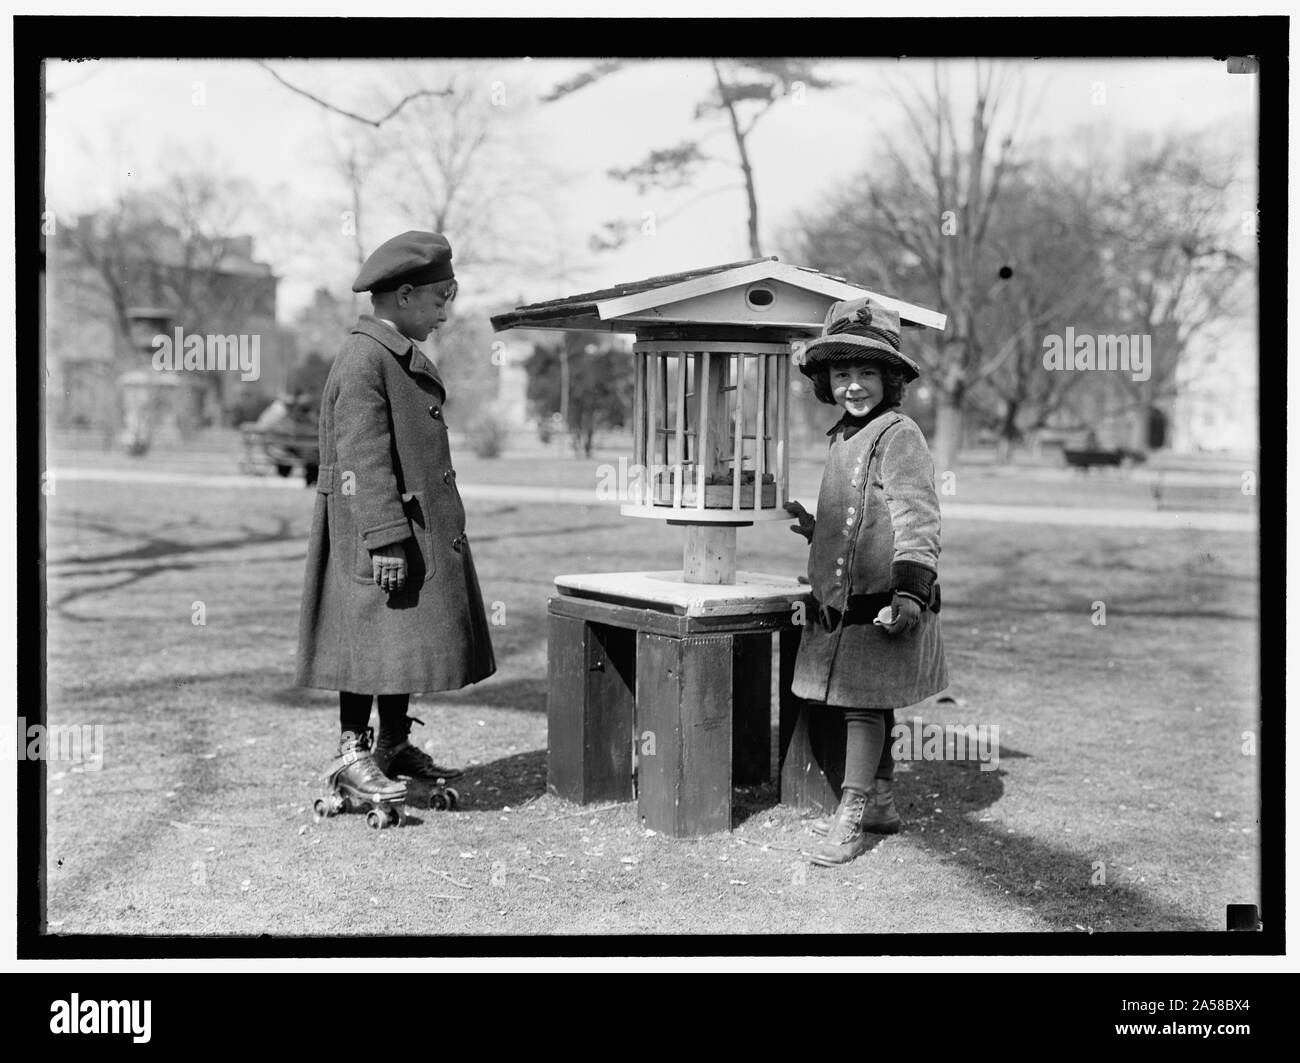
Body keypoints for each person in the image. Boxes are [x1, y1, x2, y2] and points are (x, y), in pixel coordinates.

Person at [295, 230, 496, 814]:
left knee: (397, 637)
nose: (444, 314)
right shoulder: (365, 357)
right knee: (363, 640)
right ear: (404, 296)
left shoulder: (388, 350)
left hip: (409, 526)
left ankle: (393, 743)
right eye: (439, 302)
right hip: (374, 529)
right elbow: (362, 459)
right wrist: (385, 538)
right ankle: (351, 755)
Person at [784, 295, 948, 866]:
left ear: (891, 379)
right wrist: (815, 529)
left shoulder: (898, 433)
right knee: (869, 703)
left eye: (868, 373)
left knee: (861, 705)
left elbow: (916, 516)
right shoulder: (843, 435)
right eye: (842, 372)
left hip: (883, 600)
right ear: (827, 380)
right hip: (842, 602)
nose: (854, 385)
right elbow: (855, 521)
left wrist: (910, 591)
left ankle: (851, 815)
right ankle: (880, 802)